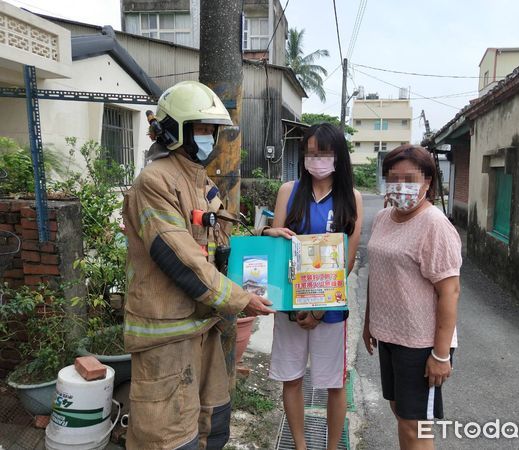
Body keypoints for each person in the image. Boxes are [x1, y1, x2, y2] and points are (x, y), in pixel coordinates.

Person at [122, 80, 274, 450]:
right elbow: (179, 257)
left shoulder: (197, 180)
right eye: (202, 130)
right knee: (168, 436)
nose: (209, 139)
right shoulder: (154, 182)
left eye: (212, 131)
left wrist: (265, 238)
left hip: (201, 325)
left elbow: (222, 232)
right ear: (175, 130)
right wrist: (240, 299)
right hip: (167, 335)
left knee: (211, 421)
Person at [263, 123, 363, 450]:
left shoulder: (353, 199)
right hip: (291, 308)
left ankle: (332, 447)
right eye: (310, 153)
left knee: (334, 383)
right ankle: (301, 445)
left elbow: (347, 260)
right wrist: (269, 232)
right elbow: (278, 252)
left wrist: (320, 307)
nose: (315, 160)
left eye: (323, 153)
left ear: (338, 157)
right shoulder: (288, 191)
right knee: (292, 379)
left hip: (330, 309)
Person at [363, 145, 462, 450]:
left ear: (428, 181)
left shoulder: (435, 225)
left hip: (420, 343)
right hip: (390, 336)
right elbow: (377, 274)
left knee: (414, 425)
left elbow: (449, 291)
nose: (400, 186)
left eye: (409, 178)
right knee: (398, 410)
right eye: (393, 178)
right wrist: (369, 322)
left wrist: (441, 355)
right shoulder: (383, 217)